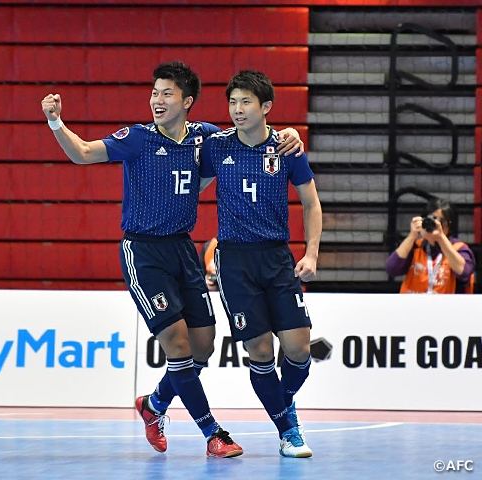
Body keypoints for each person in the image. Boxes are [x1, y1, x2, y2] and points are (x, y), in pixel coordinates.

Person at [41, 61, 303, 458]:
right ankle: (213, 433)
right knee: (178, 346)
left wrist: (288, 135)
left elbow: (250, 136)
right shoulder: (138, 138)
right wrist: (57, 123)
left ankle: (154, 403)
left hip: (182, 248)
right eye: (154, 93)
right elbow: (82, 153)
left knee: (204, 345)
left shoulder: (206, 138)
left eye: (166, 94)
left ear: (188, 101)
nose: (157, 100)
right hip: (143, 251)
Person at [199, 70, 322, 458]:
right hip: (234, 261)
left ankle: (281, 405)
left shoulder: (287, 148)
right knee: (260, 351)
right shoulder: (217, 146)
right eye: (232, 102)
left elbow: (311, 203)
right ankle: (289, 430)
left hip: (277, 257)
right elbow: (187, 174)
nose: (237, 109)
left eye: (245, 102)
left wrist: (313, 252)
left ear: (266, 107)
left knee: (299, 349)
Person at [386, 198, 476, 294]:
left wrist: (441, 237)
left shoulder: (459, 249)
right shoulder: (415, 247)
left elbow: (464, 272)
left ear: (449, 226)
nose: (433, 225)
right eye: (429, 220)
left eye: (439, 222)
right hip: (414, 306)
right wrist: (412, 236)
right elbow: (392, 269)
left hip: (447, 307)